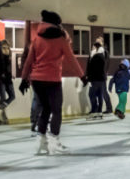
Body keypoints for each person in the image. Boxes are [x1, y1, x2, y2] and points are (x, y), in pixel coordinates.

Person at [19, 10, 86, 155]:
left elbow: (29, 61)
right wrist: (82, 75)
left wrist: (24, 78)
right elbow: (71, 59)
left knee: (45, 110)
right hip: (52, 80)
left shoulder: (37, 39)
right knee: (56, 111)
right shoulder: (61, 39)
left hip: (37, 80)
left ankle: (41, 142)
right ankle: (54, 141)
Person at [86, 41, 107, 120]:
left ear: (96, 47)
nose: (92, 49)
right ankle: (99, 111)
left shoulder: (96, 57)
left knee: (91, 94)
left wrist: (89, 78)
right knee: (99, 95)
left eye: (93, 47)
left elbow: (92, 69)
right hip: (101, 78)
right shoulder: (102, 55)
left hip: (95, 79)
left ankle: (94, 111)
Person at [93, 36, 114, 114]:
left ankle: (109, 108)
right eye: (96, 42)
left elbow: (106, 63)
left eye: (98, 42)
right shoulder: (95, 51)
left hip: (101, 74)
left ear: (102, 43)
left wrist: (104, 72)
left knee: (103, 92)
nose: (97, 43)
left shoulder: (104, 52)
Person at [0, 39, 16, 121]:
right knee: (3, 98)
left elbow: (8, 68)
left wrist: (11, 74)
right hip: (1, 79)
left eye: (7, 48)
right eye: (4, 48)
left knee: (12, 96)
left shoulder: (9, 57)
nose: (6, 49)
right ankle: (3, 116)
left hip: (8, 79)